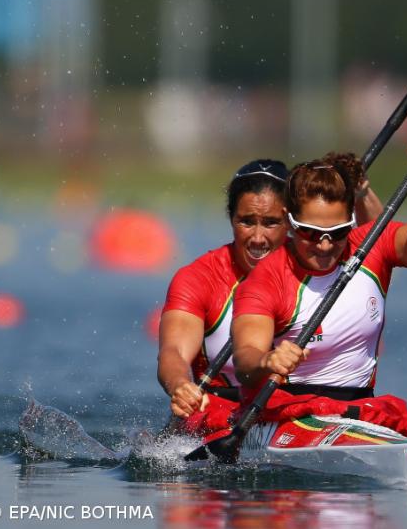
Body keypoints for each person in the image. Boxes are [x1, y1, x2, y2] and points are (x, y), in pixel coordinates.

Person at [229, 126, 407, 407]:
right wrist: (266, 360)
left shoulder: (372, 246)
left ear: (351, 219)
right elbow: (245, 360)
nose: (323, 245)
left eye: (336, 232)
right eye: (310, 232)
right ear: (290, 221)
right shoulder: (266, 278)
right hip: (286, 410)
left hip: (358, 409)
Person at [157, 155, 381, 419]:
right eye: (246, 221)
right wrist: (180, 385)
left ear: (292, 221)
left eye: (271, 222)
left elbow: (375, 240)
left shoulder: (321, 258)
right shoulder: (199, 278)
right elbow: (173, 353)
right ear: (231, 219)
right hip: (222, 413)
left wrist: (361, 191)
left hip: (302, 409)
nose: (258, 237)